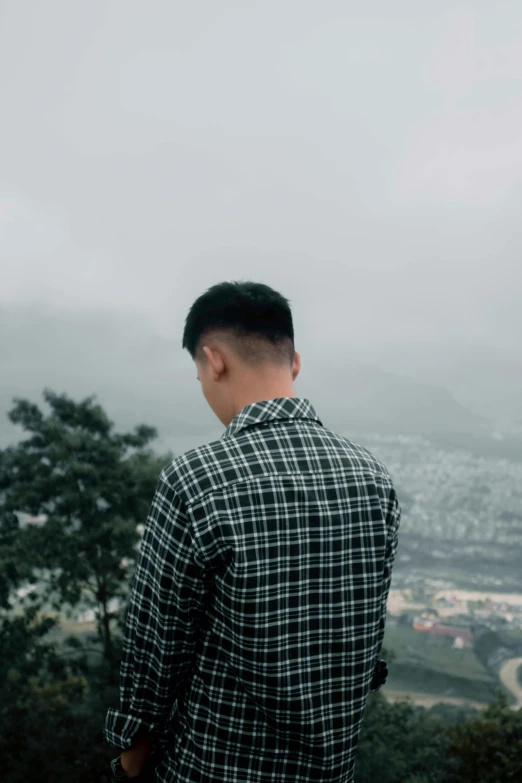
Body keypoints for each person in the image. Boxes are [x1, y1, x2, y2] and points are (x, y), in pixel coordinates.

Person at [103, 280, 401, 782]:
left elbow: (155, 650)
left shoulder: (197, 479)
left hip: (213, 767)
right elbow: (366, 646)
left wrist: (129, 756)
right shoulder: (373, 480)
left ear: (213, 360)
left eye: (199, 373)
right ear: (295, 363)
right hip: (331, 771)